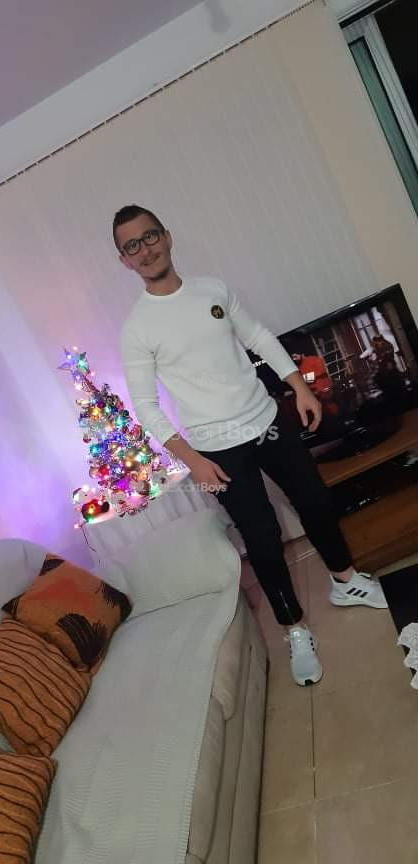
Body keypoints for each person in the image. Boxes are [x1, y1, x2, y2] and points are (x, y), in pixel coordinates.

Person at [115, 204, 387, 687]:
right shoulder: (137, 329)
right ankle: (294, 629)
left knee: (316, 502)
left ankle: (346, 582)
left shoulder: (213, 290)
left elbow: (258, 336)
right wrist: (192, 460)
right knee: (262, 539)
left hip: (266, 421)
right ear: (124, 260)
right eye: (132, 245)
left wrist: (299, 386)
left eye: (150, 236)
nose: (145, 249)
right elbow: (145, 406)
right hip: (216, 450)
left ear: (167, 236)